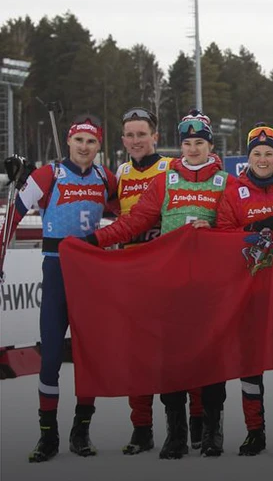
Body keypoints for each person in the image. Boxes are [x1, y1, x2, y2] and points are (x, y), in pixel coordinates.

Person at [89, 111, 231, 459]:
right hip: (172, 283)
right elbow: (135, 220)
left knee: (211, 357)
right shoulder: (166, 180)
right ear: (179, 145)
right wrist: (93, 240)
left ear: (210, 145)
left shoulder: (225, 182)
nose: (193, 149)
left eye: (199, 143)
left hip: (209, 285)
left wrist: (211, 234)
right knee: (171, 358)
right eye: (187, 143)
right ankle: (176, 433)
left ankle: (212, 431)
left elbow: (233, 228)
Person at [7, 115, 118, 462]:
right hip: (57, 269)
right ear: (69, 143)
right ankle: (47, 436)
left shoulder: (106, 177)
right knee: (52, 355)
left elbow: (127, 215)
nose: (85, 148)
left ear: (99, 146)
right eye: (79, 141)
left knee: (88, 356)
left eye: (91, 142)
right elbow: (14, 214)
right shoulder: (50, 174)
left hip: (90, 271)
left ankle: (81, 431)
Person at [113, 107, 205, 456]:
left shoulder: (171, 167)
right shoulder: (119, 172)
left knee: (184, 349)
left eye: (142, 134)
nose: (136, 141)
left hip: (171, 269)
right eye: (130, 135)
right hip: (134, 270)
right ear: (123, 140)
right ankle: (141, 427)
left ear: (155, 136)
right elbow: (114, 210)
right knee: (138, 353)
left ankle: (195, 422)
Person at [214, 123, 273, 457]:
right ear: (248, 157)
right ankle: (255, 431)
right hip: (249, 287)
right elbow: (222, 234)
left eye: (269, 153)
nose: (263, 159)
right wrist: (253, 227)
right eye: (257, 154)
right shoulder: (234, 190)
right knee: (249, 360)